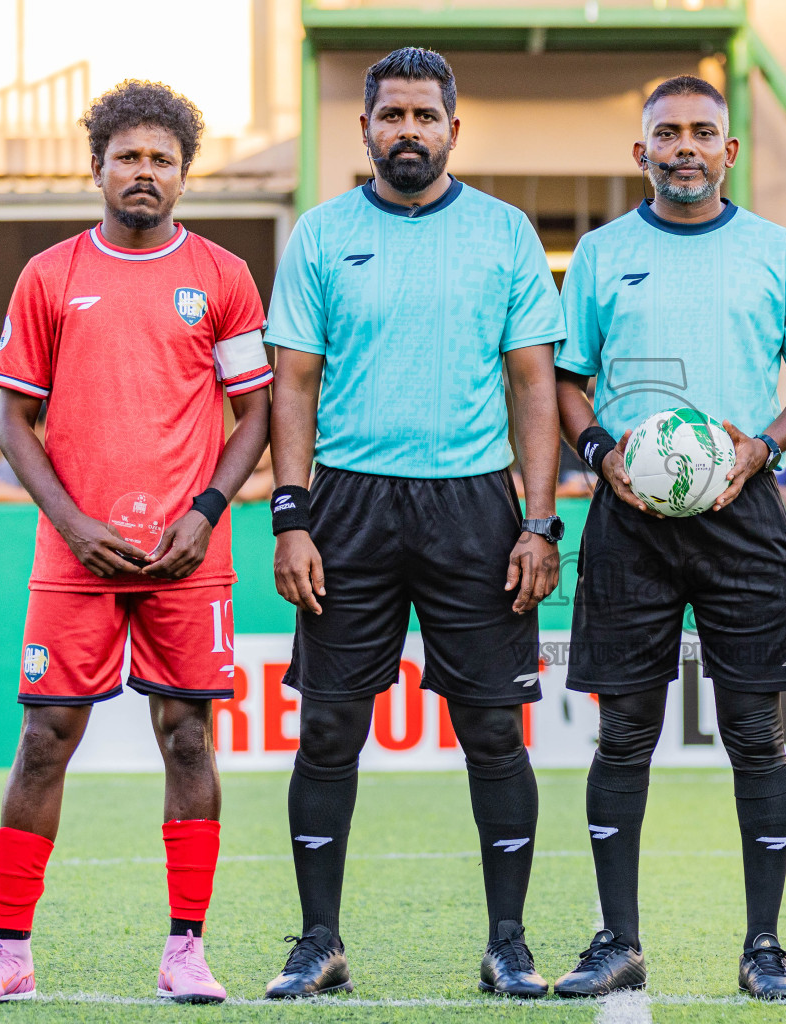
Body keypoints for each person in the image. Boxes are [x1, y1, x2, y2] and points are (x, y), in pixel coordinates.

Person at [0, 80, 272, 1006]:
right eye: (128, 156)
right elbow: (12, 422)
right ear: (97, 167)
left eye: (162, 159)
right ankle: (9, 953)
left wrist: (206, 512)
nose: (144, 172)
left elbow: (256, 414)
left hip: (186, 554)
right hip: (73, 556)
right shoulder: (49, 275)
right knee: (44, 739)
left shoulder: (223, 276)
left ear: (184, 176)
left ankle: (186, 951)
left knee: (188, 739)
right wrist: (73, 523)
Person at [262, 47, 564, 1000]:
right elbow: (293, 385)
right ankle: (319, 942)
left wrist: (541, 521)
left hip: (475, 505)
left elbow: (533, 385)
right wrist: (291, 516)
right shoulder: (320, 234)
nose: (407, 131)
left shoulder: (505, 232)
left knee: (494, 729)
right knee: (329, 727)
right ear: (364, 130)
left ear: (452, 130)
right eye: (390, 115)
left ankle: (508, 943)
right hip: (347, 505)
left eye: (424, 116)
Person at [551, 75, 786, 1001]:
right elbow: (565, 381)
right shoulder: (601, 254)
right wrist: (600, 454)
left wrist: (763, 448)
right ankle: (617, 939)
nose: (686, 146)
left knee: (756, 735)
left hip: (742, 512)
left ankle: (765, 948)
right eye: (668, 133)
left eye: (703, 132)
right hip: (628, 518)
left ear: (730, 150)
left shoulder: (775, 250)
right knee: (623, 734)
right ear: (641, 152)